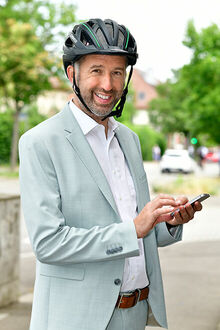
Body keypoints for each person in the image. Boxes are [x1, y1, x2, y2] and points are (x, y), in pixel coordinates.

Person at [19, 18, 202, 330]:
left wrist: (167, 222)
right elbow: (48, 243)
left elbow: (138, 229)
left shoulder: (129, 140)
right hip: (76, 320)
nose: (108, 84)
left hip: (136, 312)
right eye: (97, 71)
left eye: (117, 72)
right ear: (71, 73)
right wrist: (133, 228)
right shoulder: (39, 143)